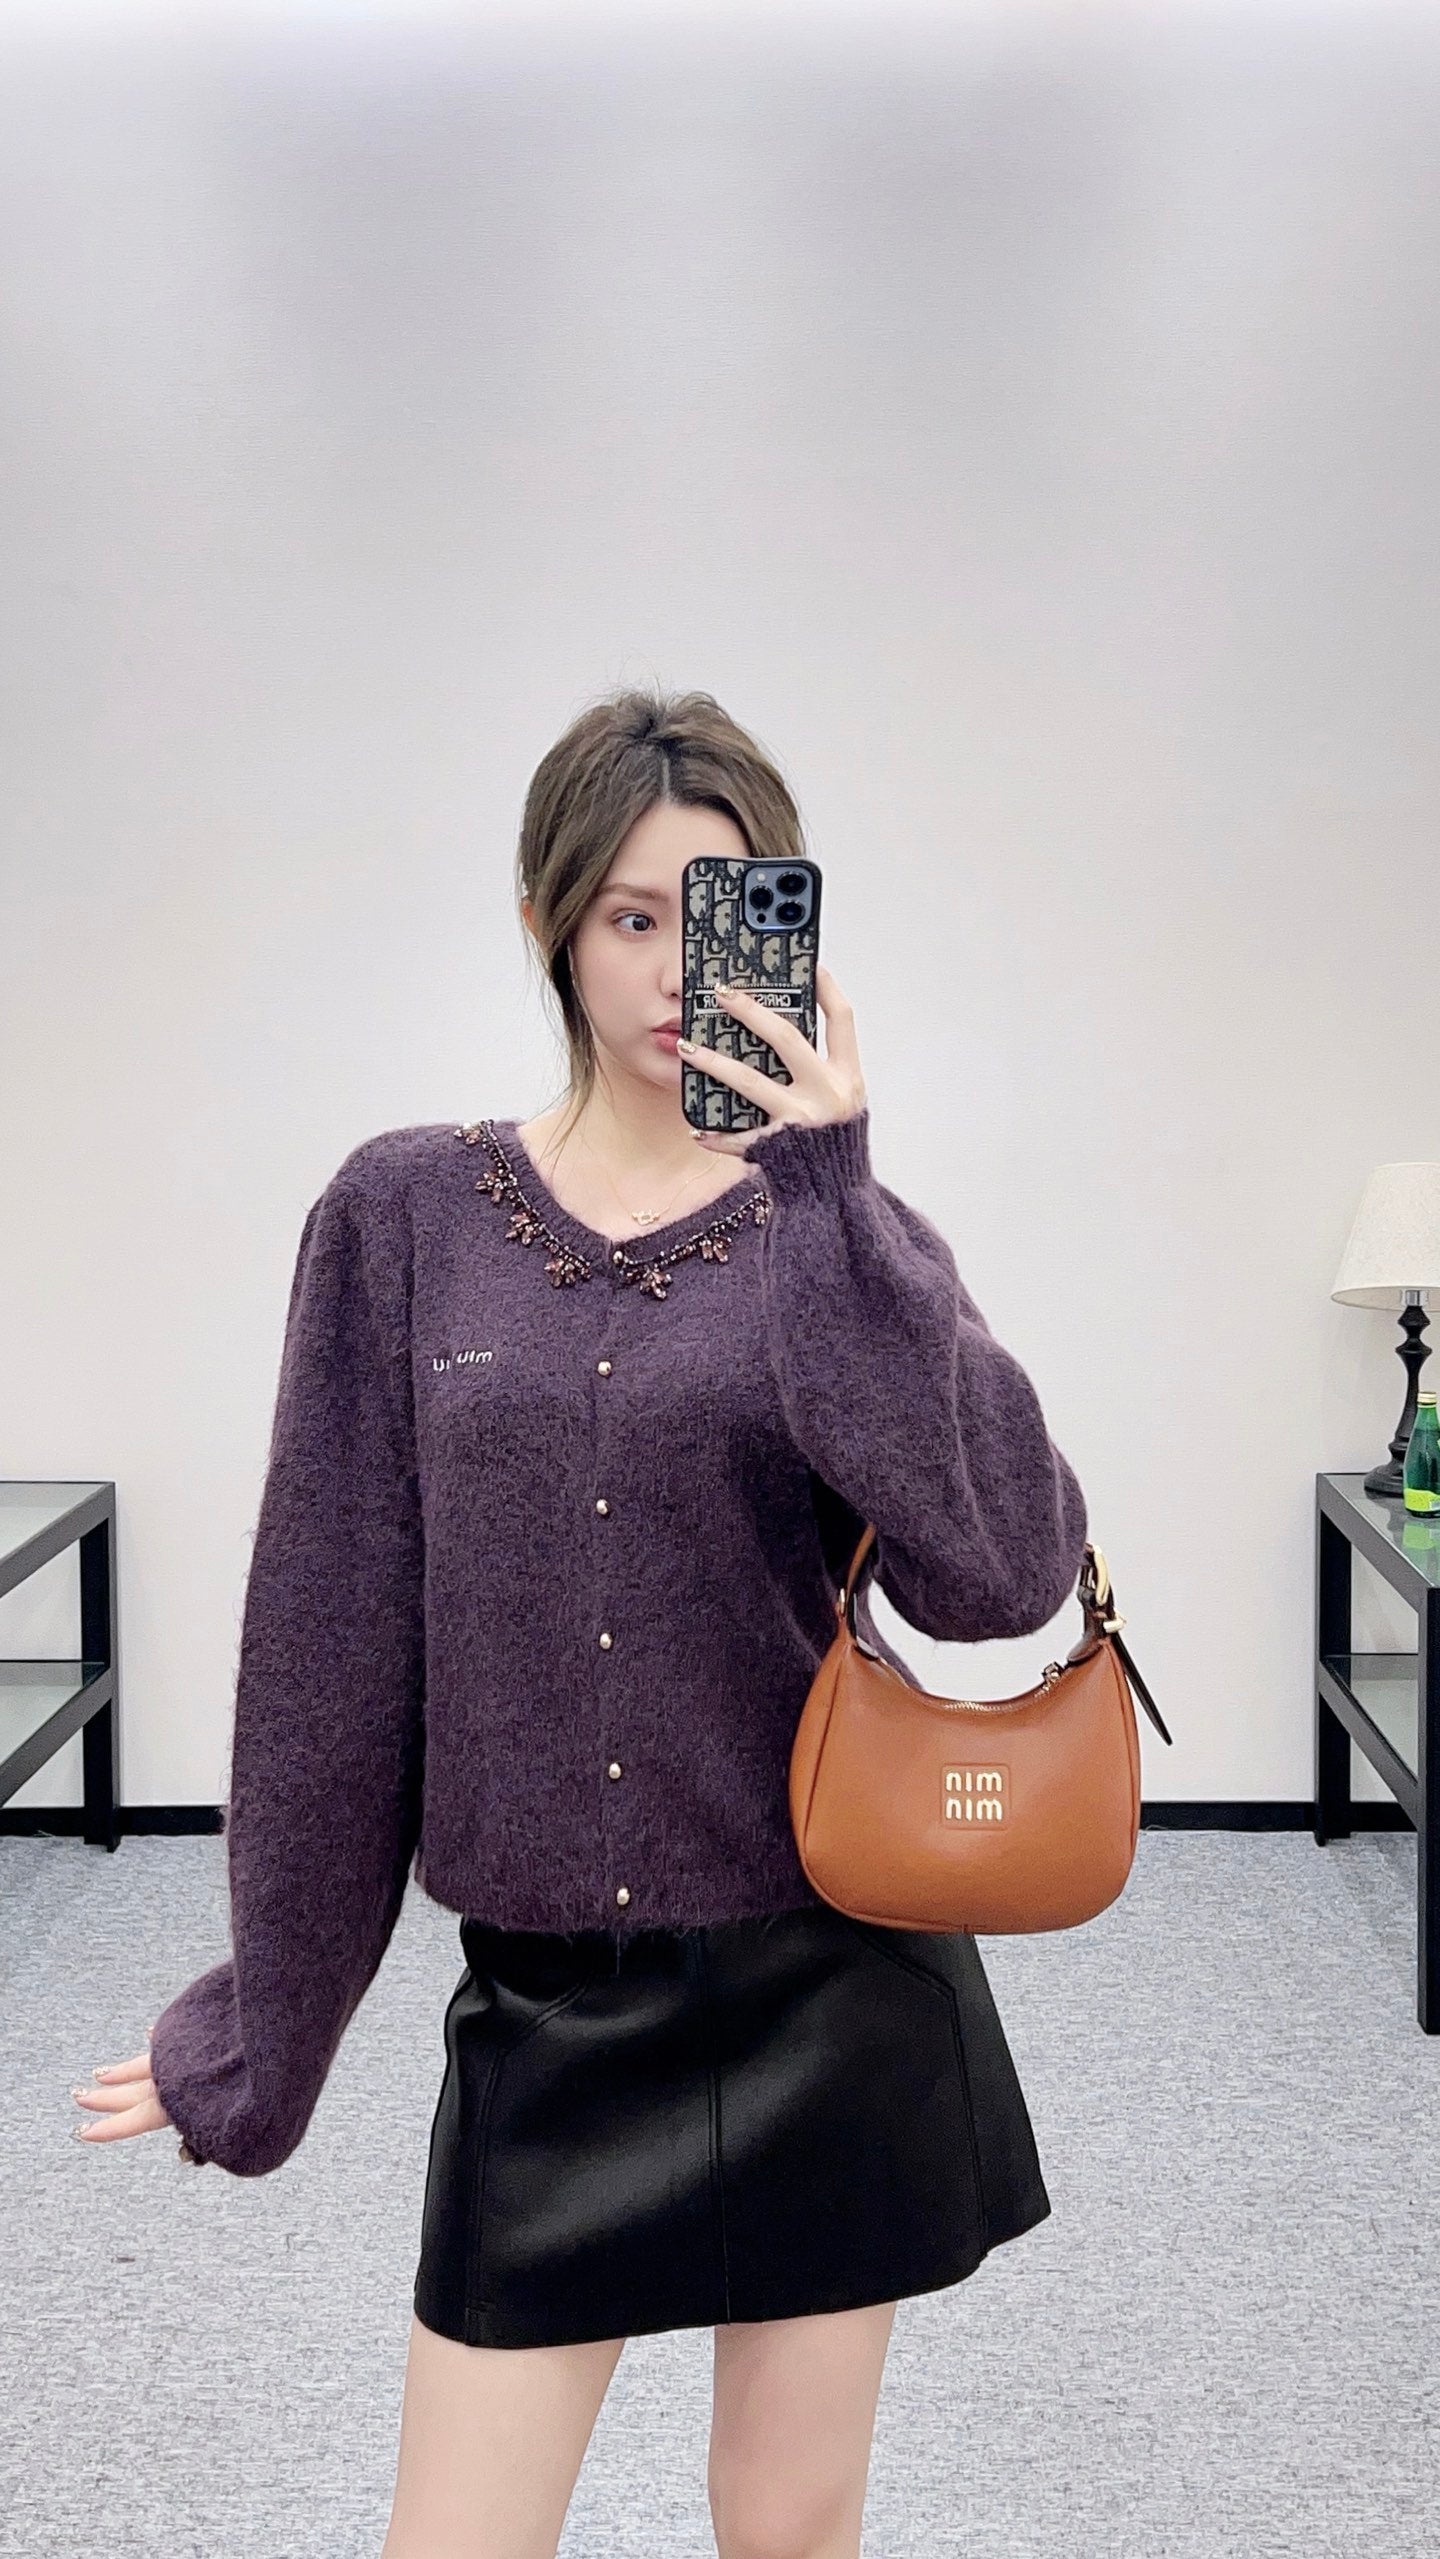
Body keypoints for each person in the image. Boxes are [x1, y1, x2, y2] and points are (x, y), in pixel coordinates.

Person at [72, 685, 1088, 2559]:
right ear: (548, 921)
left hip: (832, 1988)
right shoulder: (402, 1217)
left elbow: (1004, 1573)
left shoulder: (839, 1235)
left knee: (785, 2532)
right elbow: (325, 1656)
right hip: (548, 2015)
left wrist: (837, 1208)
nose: (676, 971)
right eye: (631, 915)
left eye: (716, 917)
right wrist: (269, 2025)